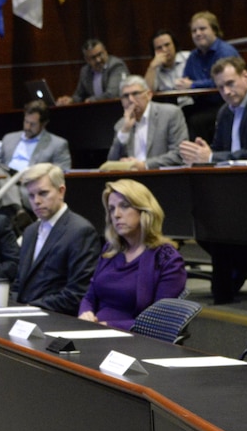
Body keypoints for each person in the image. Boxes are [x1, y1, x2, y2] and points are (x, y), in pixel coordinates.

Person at [77, 179, 187, 330]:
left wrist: (109, 326)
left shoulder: (167, 258)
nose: (116, 215)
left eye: (124, 206)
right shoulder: (111, 250)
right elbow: (90, 296)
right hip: (95, 331)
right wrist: (86, 313)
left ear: (144, 210)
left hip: (135, 340)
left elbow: (161, 322)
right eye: (111, 208)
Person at [13, 162, 99, 315]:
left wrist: (28, 308)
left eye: (43, 193)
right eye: (31, 196)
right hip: (25, 315)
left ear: (61, 191)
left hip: (56, 318)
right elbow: (20, 283)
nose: (36, 201)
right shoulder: (30, 231)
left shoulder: (80, 231)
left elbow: (77, 293)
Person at [177, 56, 247, 164]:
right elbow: (220, 149)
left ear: (245, 76)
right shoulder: (224, 111)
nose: (226, 92)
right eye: (220, 87)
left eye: (230, 83)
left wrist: (211, 157)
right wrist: (202, 152)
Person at [105, 75, 188, 169]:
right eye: (125, 96)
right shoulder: (121, 125)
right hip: (131, 180)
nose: (131, 100)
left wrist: (144, 165)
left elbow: (180, 154)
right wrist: (124, 131)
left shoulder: (170, 114)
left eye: (135, 93)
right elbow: (111, 163)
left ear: (149, 95)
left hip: (162, 177)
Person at [180, 11, 240, 141]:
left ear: (214, 30)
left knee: (197, 120)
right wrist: (182, 84)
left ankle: (203, 157)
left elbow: (223, 81)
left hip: (226, 101)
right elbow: (186, 79)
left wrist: (193, 84)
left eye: (202, 29)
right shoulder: (193, 56)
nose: (198, 33)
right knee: (180, 113)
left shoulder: (225, 51)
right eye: (194, 31)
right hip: (202, 103)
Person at [0, 100, 72, 175]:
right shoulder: (9, 138)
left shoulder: (58, 144)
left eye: (33, 124)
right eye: (26, 122)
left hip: (32, 185)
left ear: (44, 124)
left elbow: (62, 174)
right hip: (6, 181)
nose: (27, 127)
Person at [57, 39, 129, 105]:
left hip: (117, 108)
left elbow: (112, 94)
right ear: (87, 59)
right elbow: (79, 95)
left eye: (100, 54)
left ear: (105, 51)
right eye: (93, 57)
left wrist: (92, 100)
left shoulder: (116, 66)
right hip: (96, 110)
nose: (98, 60)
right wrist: (70, 100)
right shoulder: (85, 71)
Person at [143, 29, 192, 106]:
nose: (164, 50)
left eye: (167, 45)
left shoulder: (189, 58)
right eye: (159, 48)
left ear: (174, 45)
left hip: (191, 104)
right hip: (167, 109)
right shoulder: (154, 68)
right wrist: (152, 67)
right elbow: (146, 92)